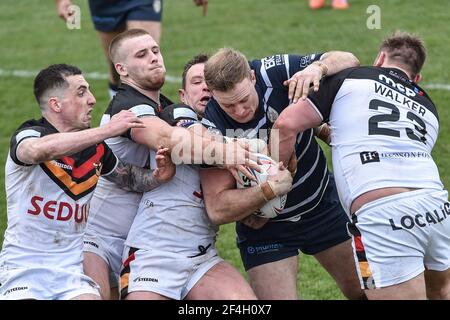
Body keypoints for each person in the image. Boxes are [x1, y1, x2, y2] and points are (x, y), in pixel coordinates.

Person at [271, 31, 450, 300]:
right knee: (442, 291)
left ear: (379, 59)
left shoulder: (350, 78)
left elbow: (285, 125)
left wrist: (275, 188)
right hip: (438, 209)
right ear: (417, 79)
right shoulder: (428, 106)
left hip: (380, 217)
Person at [82, 30, 259, 300]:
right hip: (100, 237)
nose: (154, 58)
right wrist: (229, 153)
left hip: (163, 241)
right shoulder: (130, 106)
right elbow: (169, 138)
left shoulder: (165, 108)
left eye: (155, 50)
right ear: (122, 69)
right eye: (142, 54)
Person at [200, 47, 366, 299]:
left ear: (252, 77)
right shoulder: (210, 126)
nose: (240, 111)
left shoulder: (274, 72)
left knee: (367, 293)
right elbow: (216, 209)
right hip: (265, 229)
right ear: (212, 95)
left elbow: (349, 59)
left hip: (322, 206)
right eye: (229, 106)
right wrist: (264, 194)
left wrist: (316, 68)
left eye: (244, 99)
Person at [0, 63, 175, 300]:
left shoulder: (96, 150)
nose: (92, 100)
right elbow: (37, 152)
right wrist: (108, 130)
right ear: (55, 104)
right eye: (81, 92)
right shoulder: (29, 134)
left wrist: (157, 177)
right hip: (23, 270)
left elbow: (130, 178)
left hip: (71, 272)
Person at [56, 0, 208, 98]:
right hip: (104, 4)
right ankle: (118, 115)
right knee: (117, 65)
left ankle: (151, 116)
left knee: (143, 56)